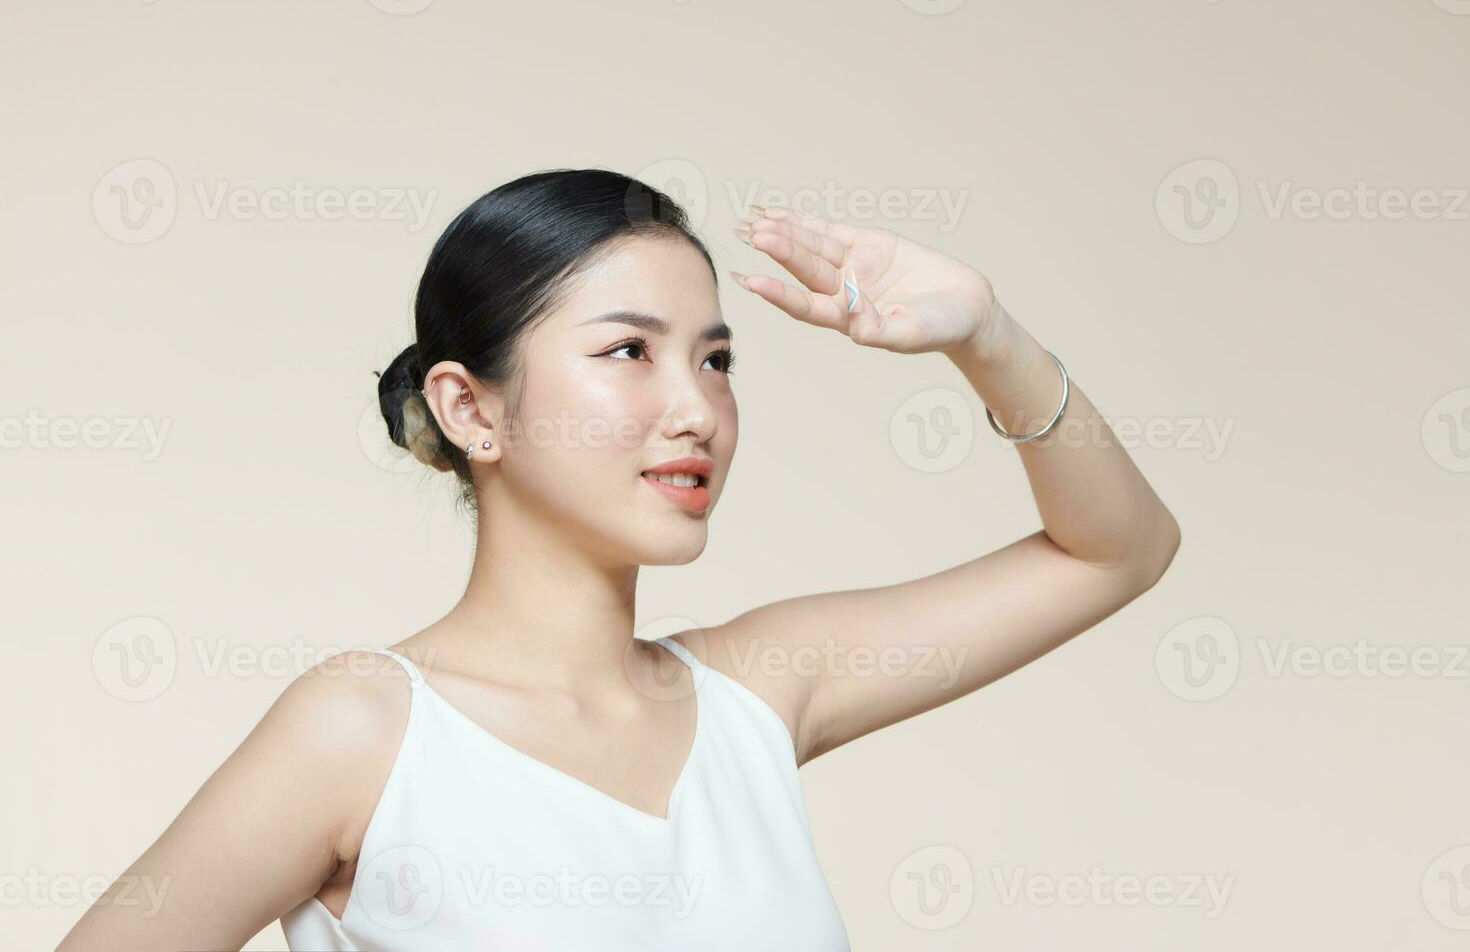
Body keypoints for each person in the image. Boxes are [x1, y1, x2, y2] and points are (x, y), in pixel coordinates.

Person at [57, 168, 1180, 951]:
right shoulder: (362, 730)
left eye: (719, 357)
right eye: (629, 351)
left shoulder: (761, 688)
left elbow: (1118, 550)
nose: (696, 406)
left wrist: (989, 337)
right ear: (469, 407)